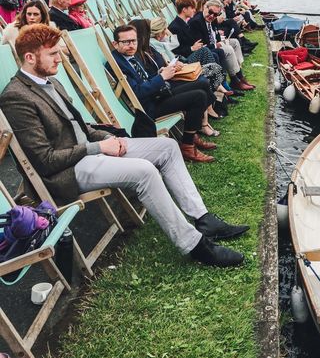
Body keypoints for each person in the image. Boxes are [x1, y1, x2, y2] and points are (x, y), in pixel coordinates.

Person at [0, 24, 248, 267]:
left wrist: (106, 139)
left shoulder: (50, 82)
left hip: (89, 150)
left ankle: (203, 219)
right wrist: (98, 148)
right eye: (52, 54)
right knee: (144, 172)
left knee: (168, 147)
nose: (60, 59)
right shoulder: (17, 97)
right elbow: (45, 160)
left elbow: (80, 126)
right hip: (66, 171)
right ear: (30, 57)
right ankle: (194, 245)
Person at [110, 24, 217, 163]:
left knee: (202, 84)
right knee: (199, 96)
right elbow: (137, 93)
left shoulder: (130, 57)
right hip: (147, 108)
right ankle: (188, 145)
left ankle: (193, 132)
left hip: (157, 95)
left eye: (134, 41)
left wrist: (159, 73)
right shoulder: (115, 64)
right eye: (126, 42)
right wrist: (161, 78)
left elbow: (145, 79)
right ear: (115, 44)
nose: (131, 45)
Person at [189, 0, 255, 92]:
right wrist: (216, 44)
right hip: (207, 48)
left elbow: (216, 35)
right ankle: (234, 79)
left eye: (215, 14)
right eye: (210, 12)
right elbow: (202, 45)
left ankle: (240, 75)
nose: (212, 16)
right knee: (228, 49)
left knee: (235, 42)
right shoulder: (196, 22)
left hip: (215, 43)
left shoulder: (212, 20)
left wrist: (220, 40)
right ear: (205, 7)